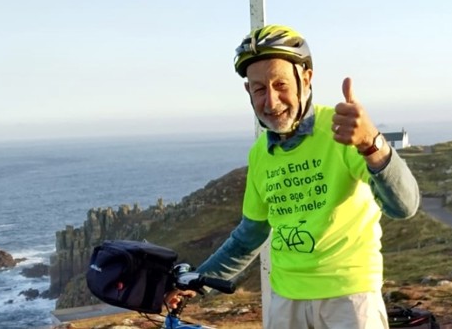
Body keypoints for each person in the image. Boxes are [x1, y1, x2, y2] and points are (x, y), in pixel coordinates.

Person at [178, 25, 421, 329]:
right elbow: (247, 239)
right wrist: (196, 283)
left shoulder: (341, 131)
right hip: (285, 301)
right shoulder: (260, 154)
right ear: (248, 92)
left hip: (349, 299)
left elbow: (404, 206)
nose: (271, 101)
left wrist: (371, 143)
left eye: (280, 84)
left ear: (305, 79)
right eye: (258, 89)